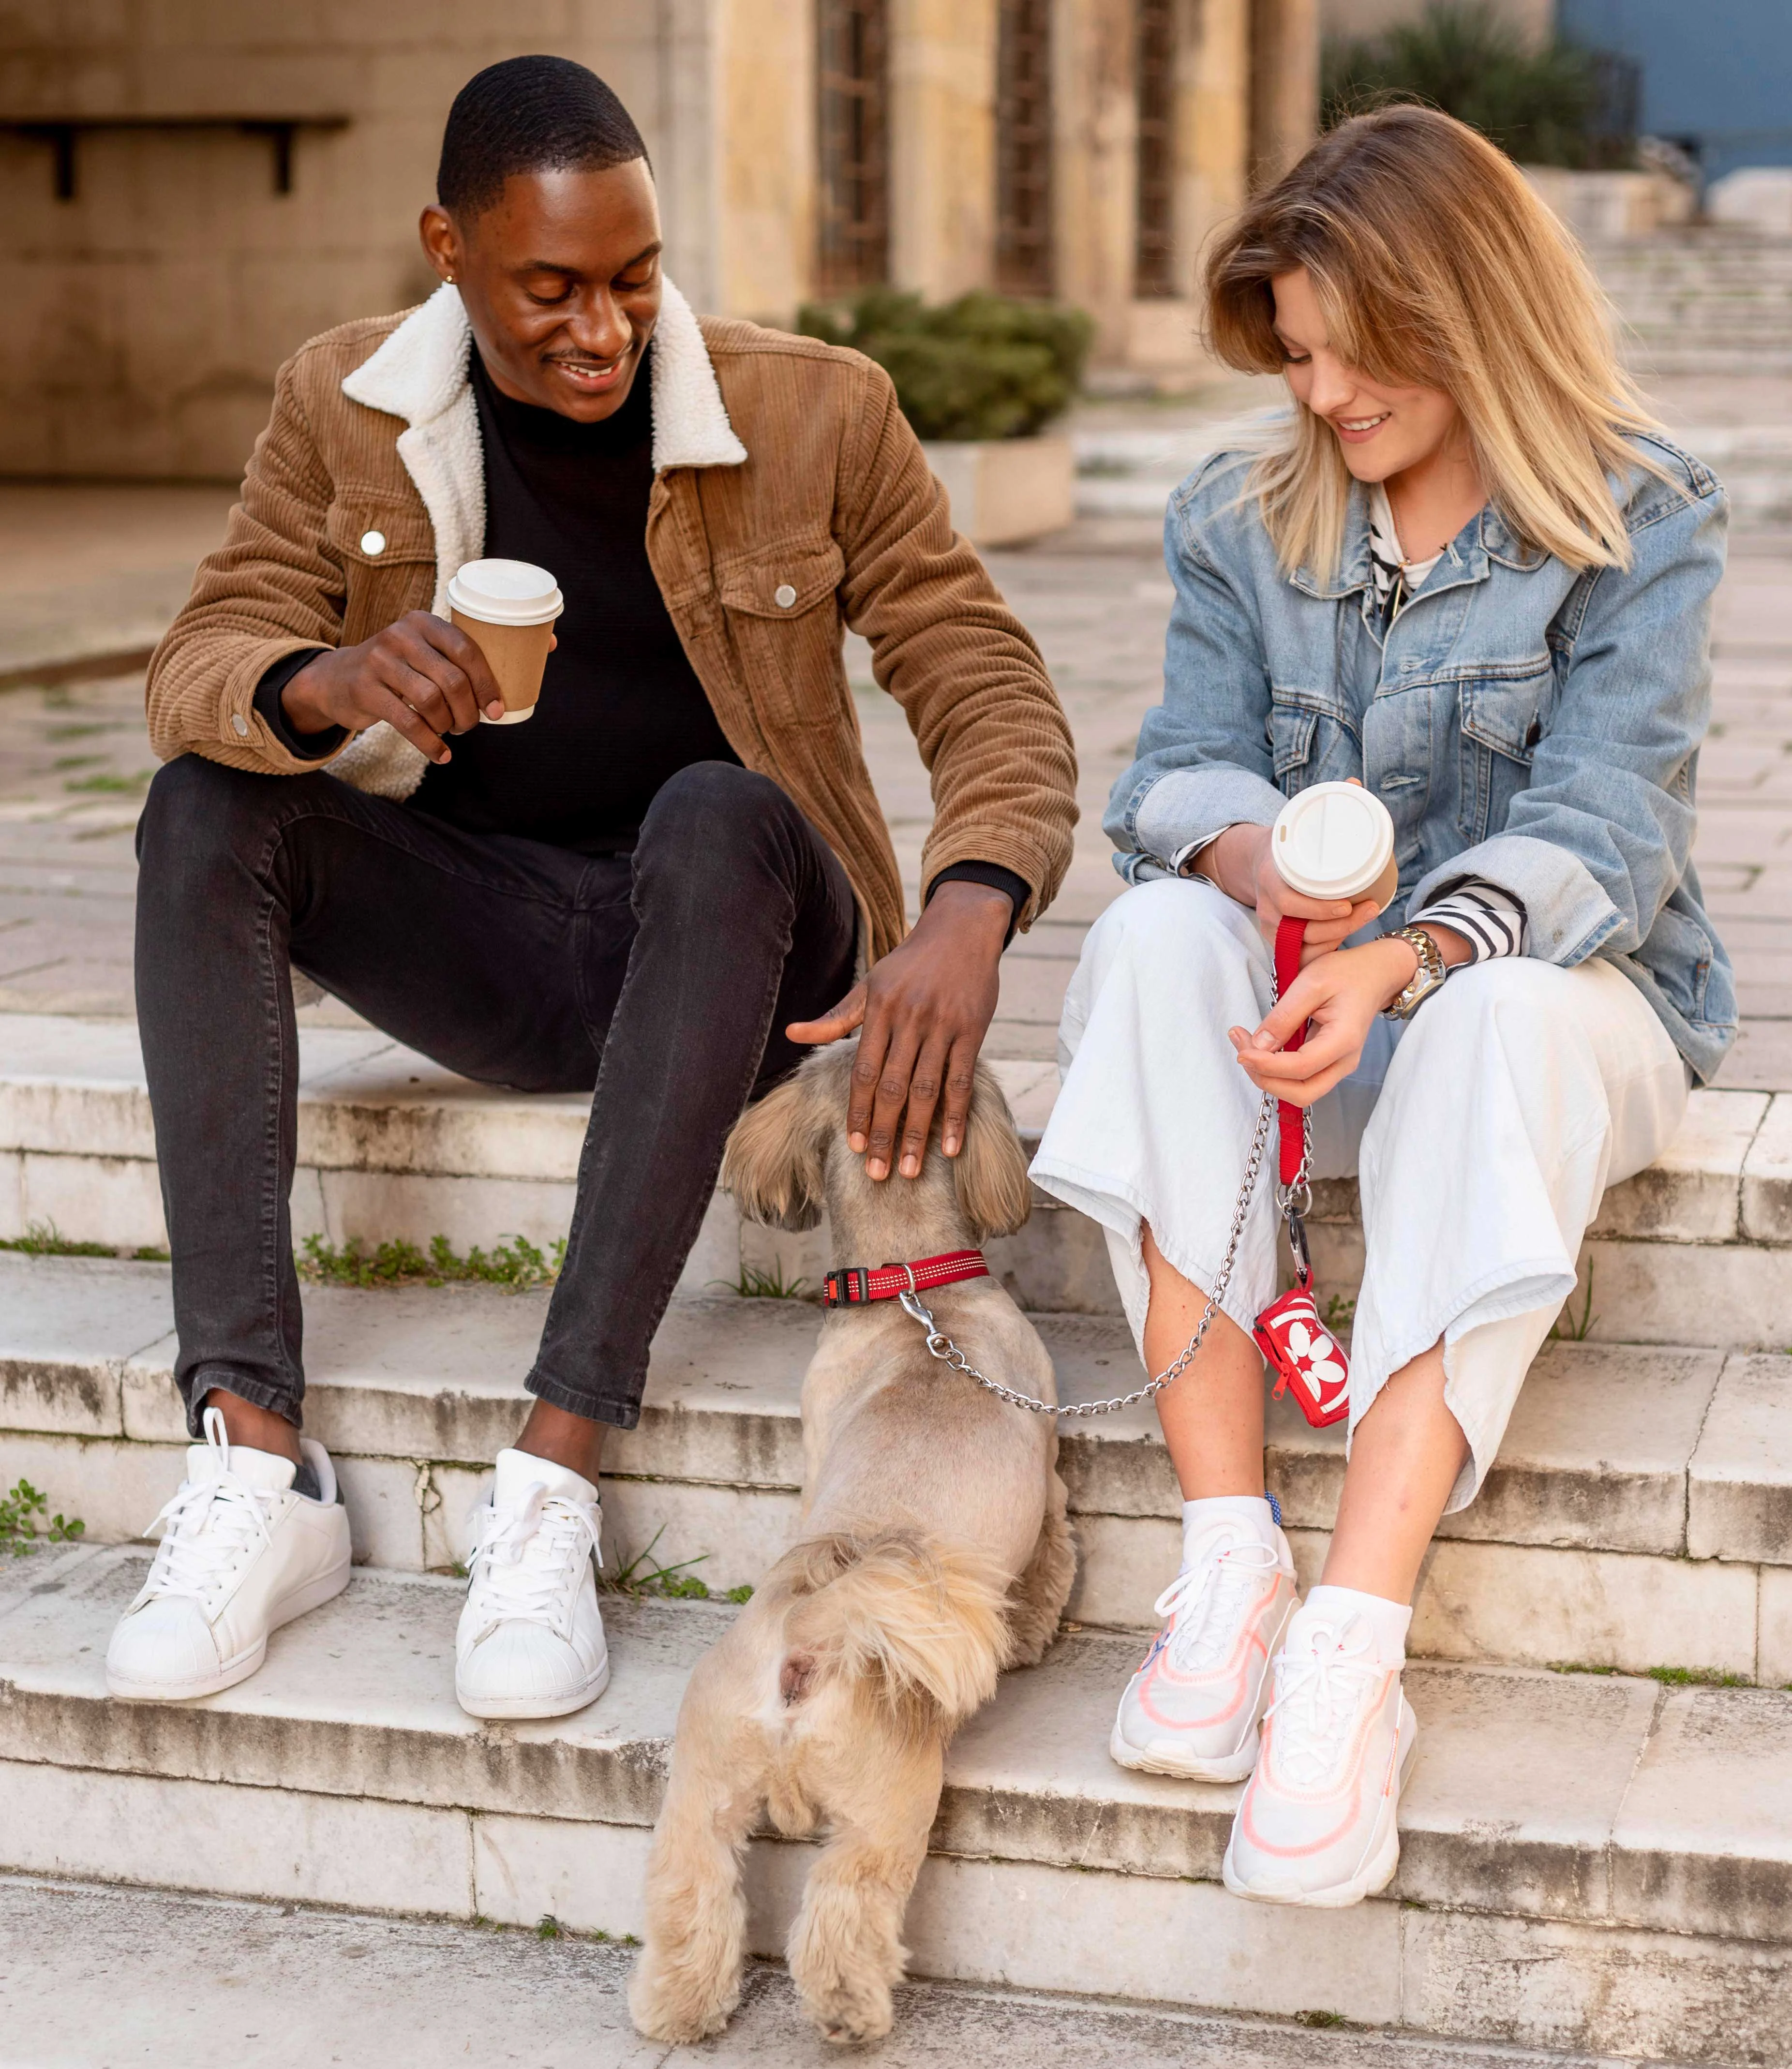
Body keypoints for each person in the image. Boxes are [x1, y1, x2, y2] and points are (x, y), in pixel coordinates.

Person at [108, 56, 1075, 1717]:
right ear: (449, 249)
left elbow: (983, 675)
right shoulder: (342, 403)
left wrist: (970, 908)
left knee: (715, 809)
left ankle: (554, 1471)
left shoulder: (816, 410)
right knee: (204, 806)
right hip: (505, 943)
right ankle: (255, 1460)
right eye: (550, 287)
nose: (604, 327)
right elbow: (198, 659)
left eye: (634, 277)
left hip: (749, 941)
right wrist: (324, 682)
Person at [1031, 105, 1731, 1907]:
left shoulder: (1639, 513)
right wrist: (1257, 864)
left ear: (1471, 306)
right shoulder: (1237, 517)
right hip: (1317, 1014)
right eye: (1295, 354)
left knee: (1491, 1020)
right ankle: (1230, 1556)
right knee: (1152, 939)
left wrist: (1406, 955)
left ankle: (1351, 1642)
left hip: (1561, 1010)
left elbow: (1611, 827)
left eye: (1358, 351)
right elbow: (1171, 777)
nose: (1323, 394)